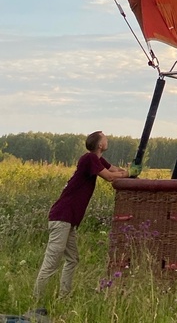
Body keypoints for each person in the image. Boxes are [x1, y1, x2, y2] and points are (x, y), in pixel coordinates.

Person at [33, 131, 128, 307]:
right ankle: (37, 301)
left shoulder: (97, 160)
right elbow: (108, 177)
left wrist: (128, 172)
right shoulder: (89, 158)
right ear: (100, 144)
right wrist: (125, 175)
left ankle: (64, 297)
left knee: (72, 259)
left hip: (68, 220)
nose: (107, 140)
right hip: (62, 217)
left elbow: (114, 170)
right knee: (52, 262)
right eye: (105, 138)